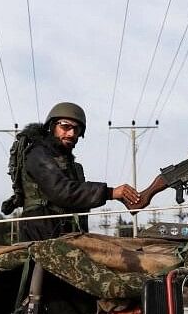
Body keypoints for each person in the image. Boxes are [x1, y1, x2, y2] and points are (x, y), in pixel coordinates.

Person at [15, 102, 140, 241]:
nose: (71, 133)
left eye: (77, 129)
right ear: (52, 126)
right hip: (41, 235)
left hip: (66, 235)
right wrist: (110, 192)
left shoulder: (71, 165)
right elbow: (61, 191)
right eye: (65, 126)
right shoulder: (37, 154)